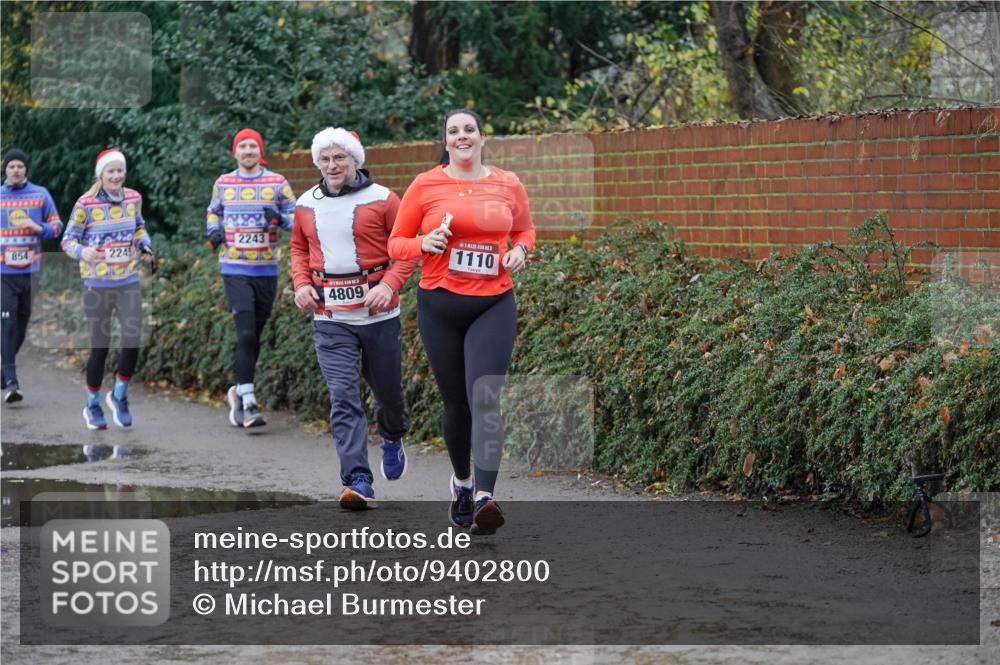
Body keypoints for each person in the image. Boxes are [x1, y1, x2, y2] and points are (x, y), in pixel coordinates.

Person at [388, 109, 534, 535]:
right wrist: (423, 242)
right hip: (440, 304)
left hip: (493, 302)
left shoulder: (508, 183)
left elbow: (525, 232)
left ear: (483, 138)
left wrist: (520, 253)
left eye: (469, 129)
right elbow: (397, 244)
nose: (462, 136)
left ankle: (487, 497)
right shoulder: (425, 184)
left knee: (485, 396)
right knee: (457, 404)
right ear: (446, 141)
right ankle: (463, 484)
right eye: (454, 131)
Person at [291, 127, 417, 510]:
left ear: (356, 160)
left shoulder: (384, 199)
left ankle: (392, 437)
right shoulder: (305, 204)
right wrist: (300, 284)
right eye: (325, 159)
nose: (332, 165)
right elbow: (298, 248)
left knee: (389, 396)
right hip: (330, 317)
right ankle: (358, 480)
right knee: (344, 396)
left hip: (379, 316)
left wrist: (390, 285)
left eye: (339, 157)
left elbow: (408, 249)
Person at [206, 128, 295, 428]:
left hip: (266, 268)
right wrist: (213, 232)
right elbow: (212, 212)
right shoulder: (224, 183)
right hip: (234, 267)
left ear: (260, 151)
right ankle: (249, 401)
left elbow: (298, 219)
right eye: (242, 146)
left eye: (253, 146)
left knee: (254, 334)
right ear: (235, 152)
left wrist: (279, 219)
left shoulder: (277, 183)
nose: (248, 151)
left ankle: (237, 390)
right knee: (245, 334)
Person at [61, 149, 153, 429]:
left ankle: (120, 396)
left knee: (132, 341)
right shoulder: (85, 203)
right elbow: (67, 240)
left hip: (127, 280)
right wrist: (83, 251)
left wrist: (145, 245)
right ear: (100, 175)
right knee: (100, 347)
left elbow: (139, 228)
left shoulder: (133, 198)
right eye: (110, 171)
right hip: (97, 284)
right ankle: (92, 405)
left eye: (120, 171)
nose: (116, 176)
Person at [1, 149, 62, 403]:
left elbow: (58, 227)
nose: (16, 170)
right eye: (11, 166)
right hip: (3, 272)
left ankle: (5, 370)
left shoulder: (41, 194)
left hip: (30, 271)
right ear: (5, 169)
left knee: (22, 324)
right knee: (7, 323)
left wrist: (40, 228)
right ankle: (12, 382)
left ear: (26, 169)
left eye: (20, 166)